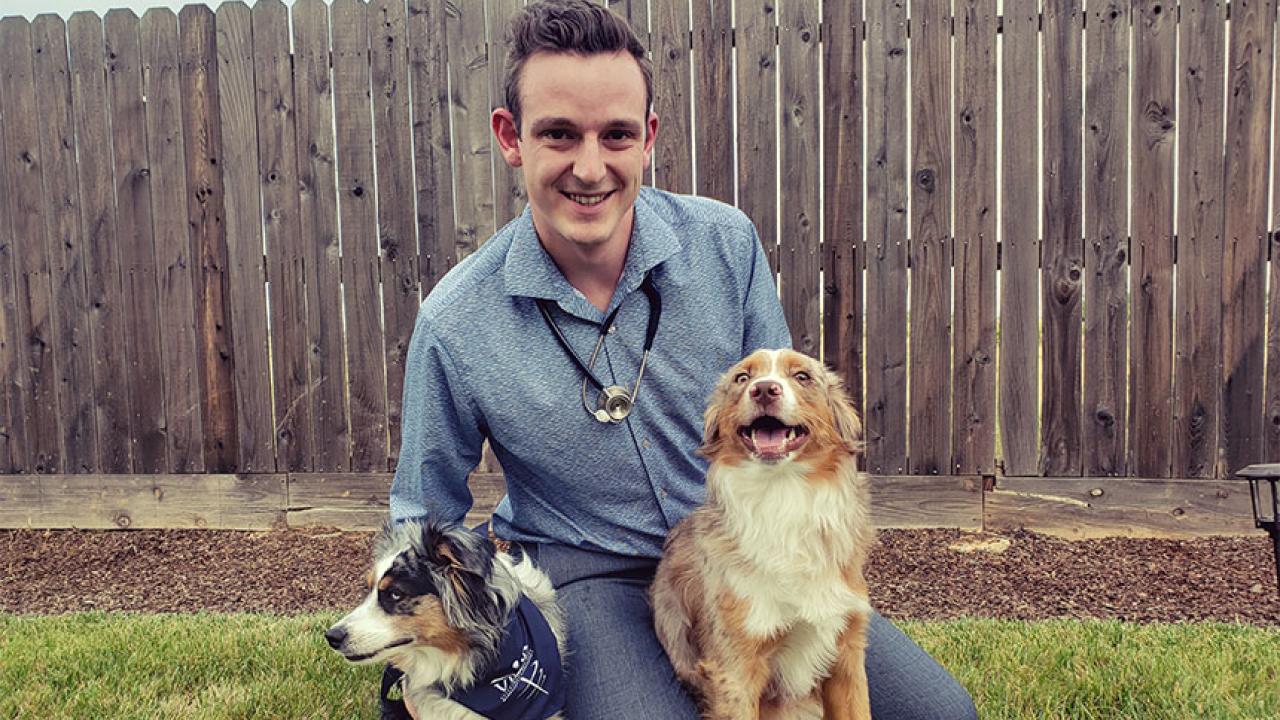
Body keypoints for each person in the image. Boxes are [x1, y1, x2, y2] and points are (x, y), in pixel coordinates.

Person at [389, 1, 978, 718]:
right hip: (587, 574)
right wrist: (422, 659)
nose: (590, 166)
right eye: (559, 134)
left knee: (943, 713)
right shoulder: (456, 321)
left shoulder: (725, 245)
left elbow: (787, 423)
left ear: (649, 139)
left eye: (616, 135)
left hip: (749, 552)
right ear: (511, 138)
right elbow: (422, 512)